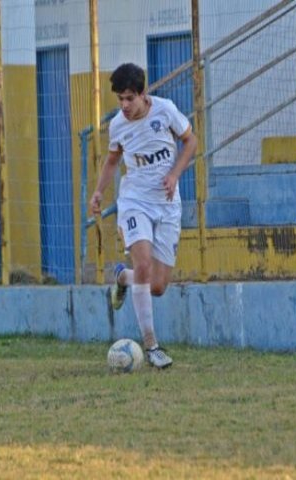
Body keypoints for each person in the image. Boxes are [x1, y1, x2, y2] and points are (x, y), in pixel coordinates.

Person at [89, 63, 198, 369]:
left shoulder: (165, 111)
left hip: (166, 204)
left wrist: (175, 174)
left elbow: (191, 141)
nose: (124, 106)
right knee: (144, 264)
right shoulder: (118, 126)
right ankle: (152, 346)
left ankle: (123, 278)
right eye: (120, 99)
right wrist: (99, 192)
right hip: (135, 201)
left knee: (158, 285)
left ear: (142, 94)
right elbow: (112, 162)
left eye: (129, 99)